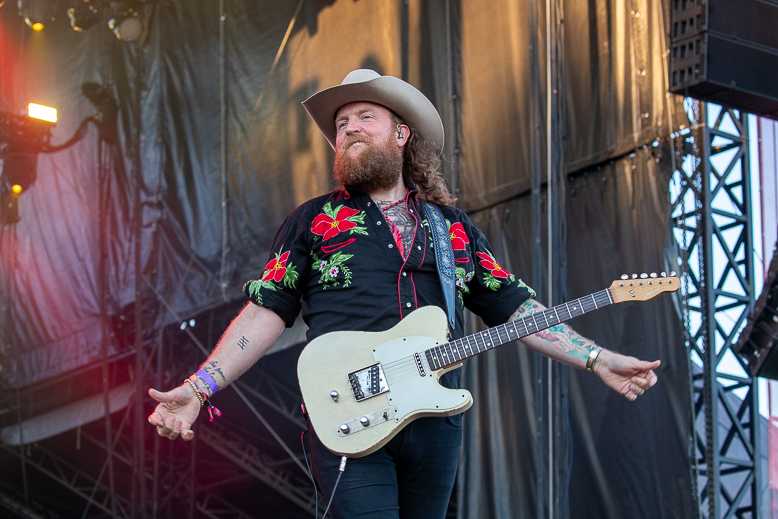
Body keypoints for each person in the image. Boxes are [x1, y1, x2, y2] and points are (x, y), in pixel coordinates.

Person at [148, 69, 661, 518]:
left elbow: (515, 308)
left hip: (435, 421)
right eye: (340, 124)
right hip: (349, 411)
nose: (348, 128)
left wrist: (597, 358)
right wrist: (199, 387)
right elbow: (265, 312)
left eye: (364, 117)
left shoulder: (452, 228)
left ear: (400, 133)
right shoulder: (314, 220)